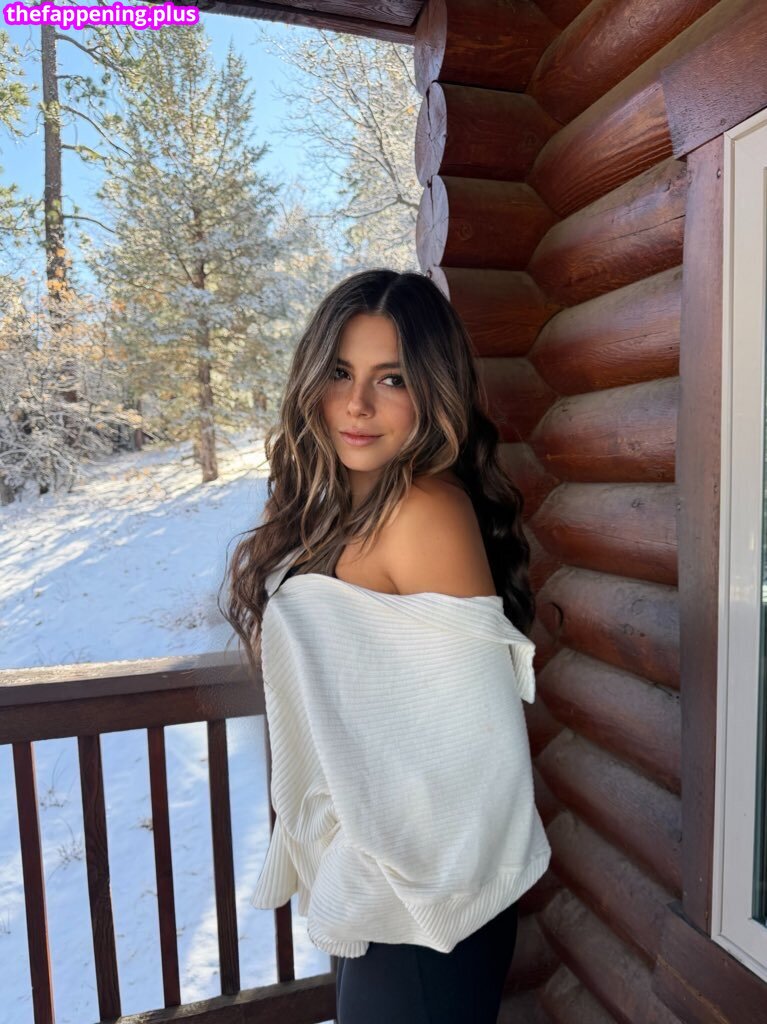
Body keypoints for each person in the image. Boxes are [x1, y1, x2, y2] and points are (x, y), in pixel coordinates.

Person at [220, 268, 550, 1023]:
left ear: (433, 392)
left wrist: (369, 861)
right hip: (378, 876)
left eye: (391, 378)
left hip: (425, 896)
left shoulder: (423, 510)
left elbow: (476, 752)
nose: (357, 404)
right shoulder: (336, 506)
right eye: (340, 372)